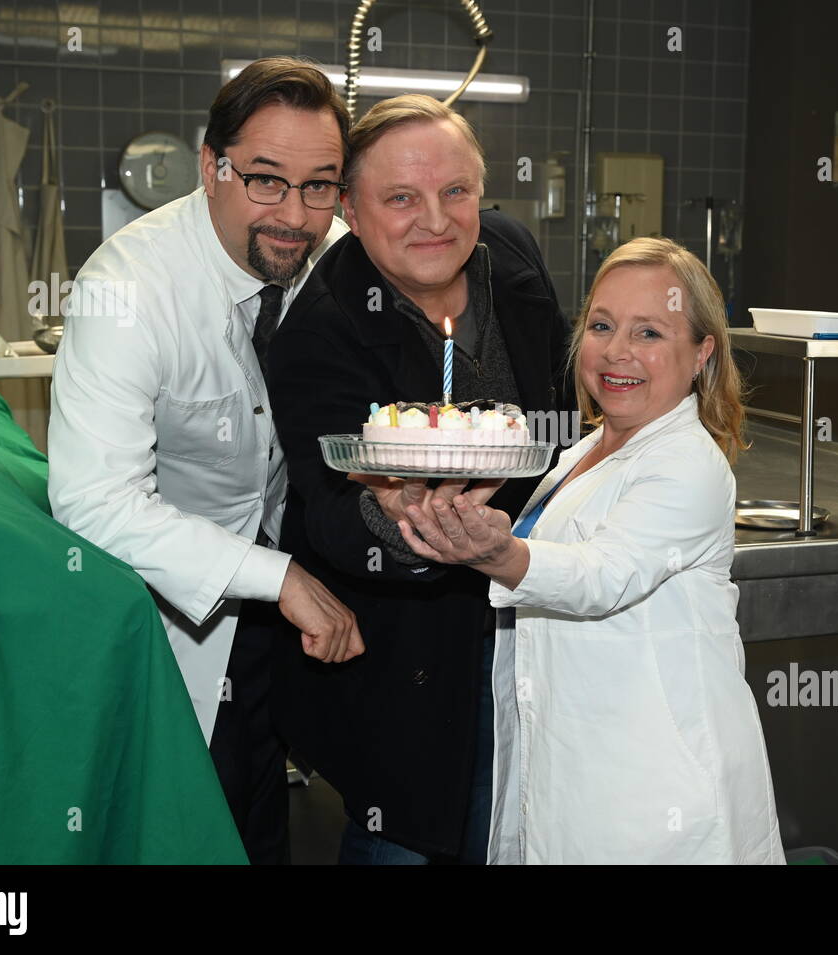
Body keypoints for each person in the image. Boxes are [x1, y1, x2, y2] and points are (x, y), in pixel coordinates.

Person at [47, 58, 361, 865]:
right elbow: (93, 501)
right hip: (176, 625)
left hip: (284, 628)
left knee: (267, 829)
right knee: (191, 831)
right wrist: (278, 576)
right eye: (265, 179)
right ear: (208, 165)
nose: (295, 215)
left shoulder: (325, 261)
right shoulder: (128, 288)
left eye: (320, 186)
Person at [396, 237, 786, 864]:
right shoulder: (584, 452)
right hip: (574, 765)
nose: (617, 351)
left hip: (653, 791)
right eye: (601, 326)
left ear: (702, 352)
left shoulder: (687, 463)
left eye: (650, 333)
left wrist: (500, 557)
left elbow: (601, 576)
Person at [266, 94, 572, 864]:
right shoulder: (320, 328)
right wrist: (398, 518)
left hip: (529, 623)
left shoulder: (512, 255)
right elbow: (328, 510)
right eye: (400, 197)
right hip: (409, 652)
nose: (435, 219)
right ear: (350, 209)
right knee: (411, 835)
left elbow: (563, 412)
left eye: (455, 191)